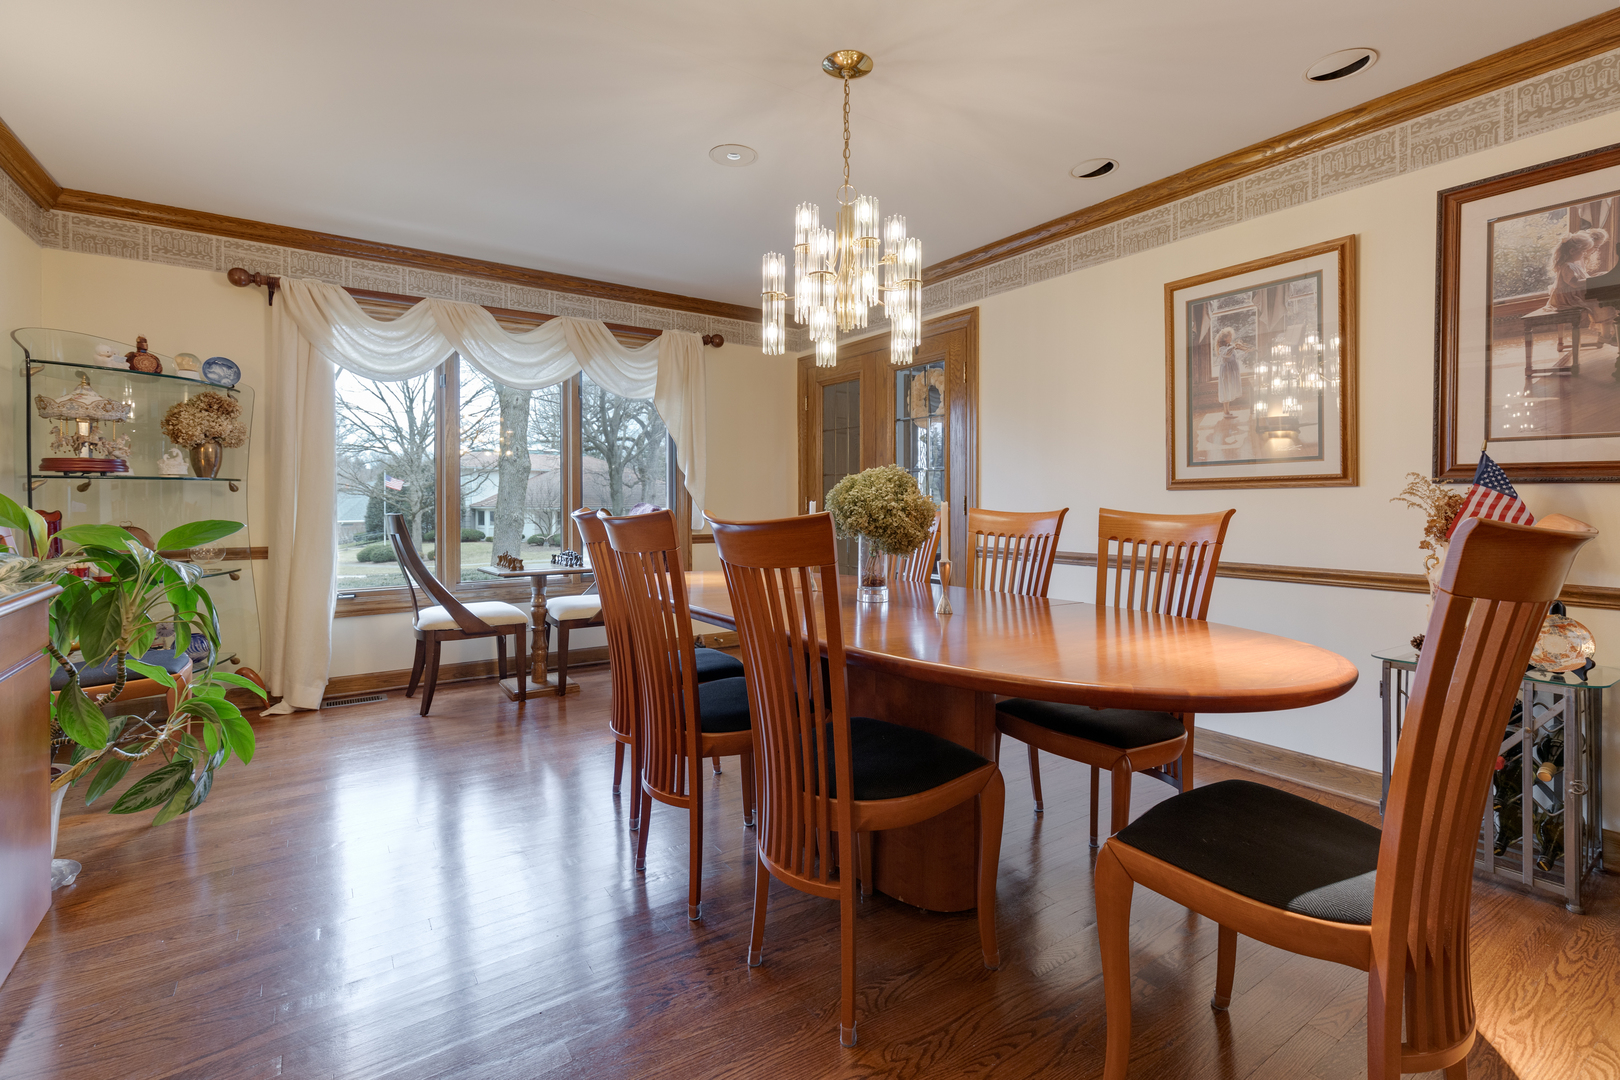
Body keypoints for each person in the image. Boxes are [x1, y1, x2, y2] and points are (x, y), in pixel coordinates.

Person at [1546, 229, 1618, 352]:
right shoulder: (1568, 266)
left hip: (1573, 294)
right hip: (1569, 298)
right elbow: (1574, 283)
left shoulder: (1572, 264)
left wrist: (1597, 278)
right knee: (1601, 303)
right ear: (1572, 251)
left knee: (1602, 297)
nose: (1585, 254)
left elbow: (1580, 279)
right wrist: (1593, 281)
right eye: (1583, 251)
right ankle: (1606, 336)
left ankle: (1607, 335)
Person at [1214, 326, 1252, 419]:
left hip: (1231, 371)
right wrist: (1234, 346)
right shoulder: (1222, 348)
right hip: (1226, 372)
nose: (1231, 339)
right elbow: (1227, 353)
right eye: (1229, 337)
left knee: (1229, 389)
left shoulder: (1229, 347)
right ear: (1225, 338)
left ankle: (1227, 412)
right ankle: (1226, 412)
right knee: (1226, 389)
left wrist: (1246, 351)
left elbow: (1236, 357)